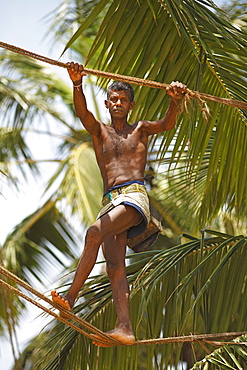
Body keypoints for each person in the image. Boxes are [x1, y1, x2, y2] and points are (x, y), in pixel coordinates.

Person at [52, 62, 187, 346]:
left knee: (93, 232)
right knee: (115, 266)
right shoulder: (99, 131)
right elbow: (81, 113)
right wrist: (77, 83)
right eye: (114, 99)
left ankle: (69, 298)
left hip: (134, 197)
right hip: (109, 201)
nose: (118, 103)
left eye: (123, 100)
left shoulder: (140, 130)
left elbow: (167, 124)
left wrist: (175, 100)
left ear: (131, 105)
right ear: (107, 102)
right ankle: (124, 327)